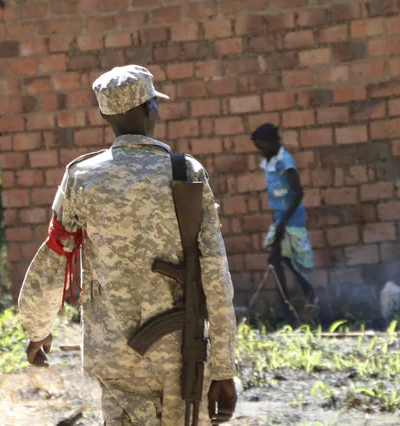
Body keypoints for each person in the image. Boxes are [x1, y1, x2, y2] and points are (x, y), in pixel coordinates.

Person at [17, 65, 238, 425]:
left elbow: (56, 256)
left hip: (117, 356)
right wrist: (224, 366)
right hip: (182, 354)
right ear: (152, 108)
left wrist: (37, 329)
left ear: (105, 114)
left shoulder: (82, 177)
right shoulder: (185, 173)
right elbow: (215, 272)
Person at [250, 123, 318, 319]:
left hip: (291, 221)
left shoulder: (284, 161)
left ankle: (305, 300)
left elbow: (298, 193)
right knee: (276, 260)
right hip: (280, 219)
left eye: (262, 145)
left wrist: (282, 223)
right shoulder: (269, 162)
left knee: (289, 262)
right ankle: (288, 307)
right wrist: (276, 222)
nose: (260, 150)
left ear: (272, 142)